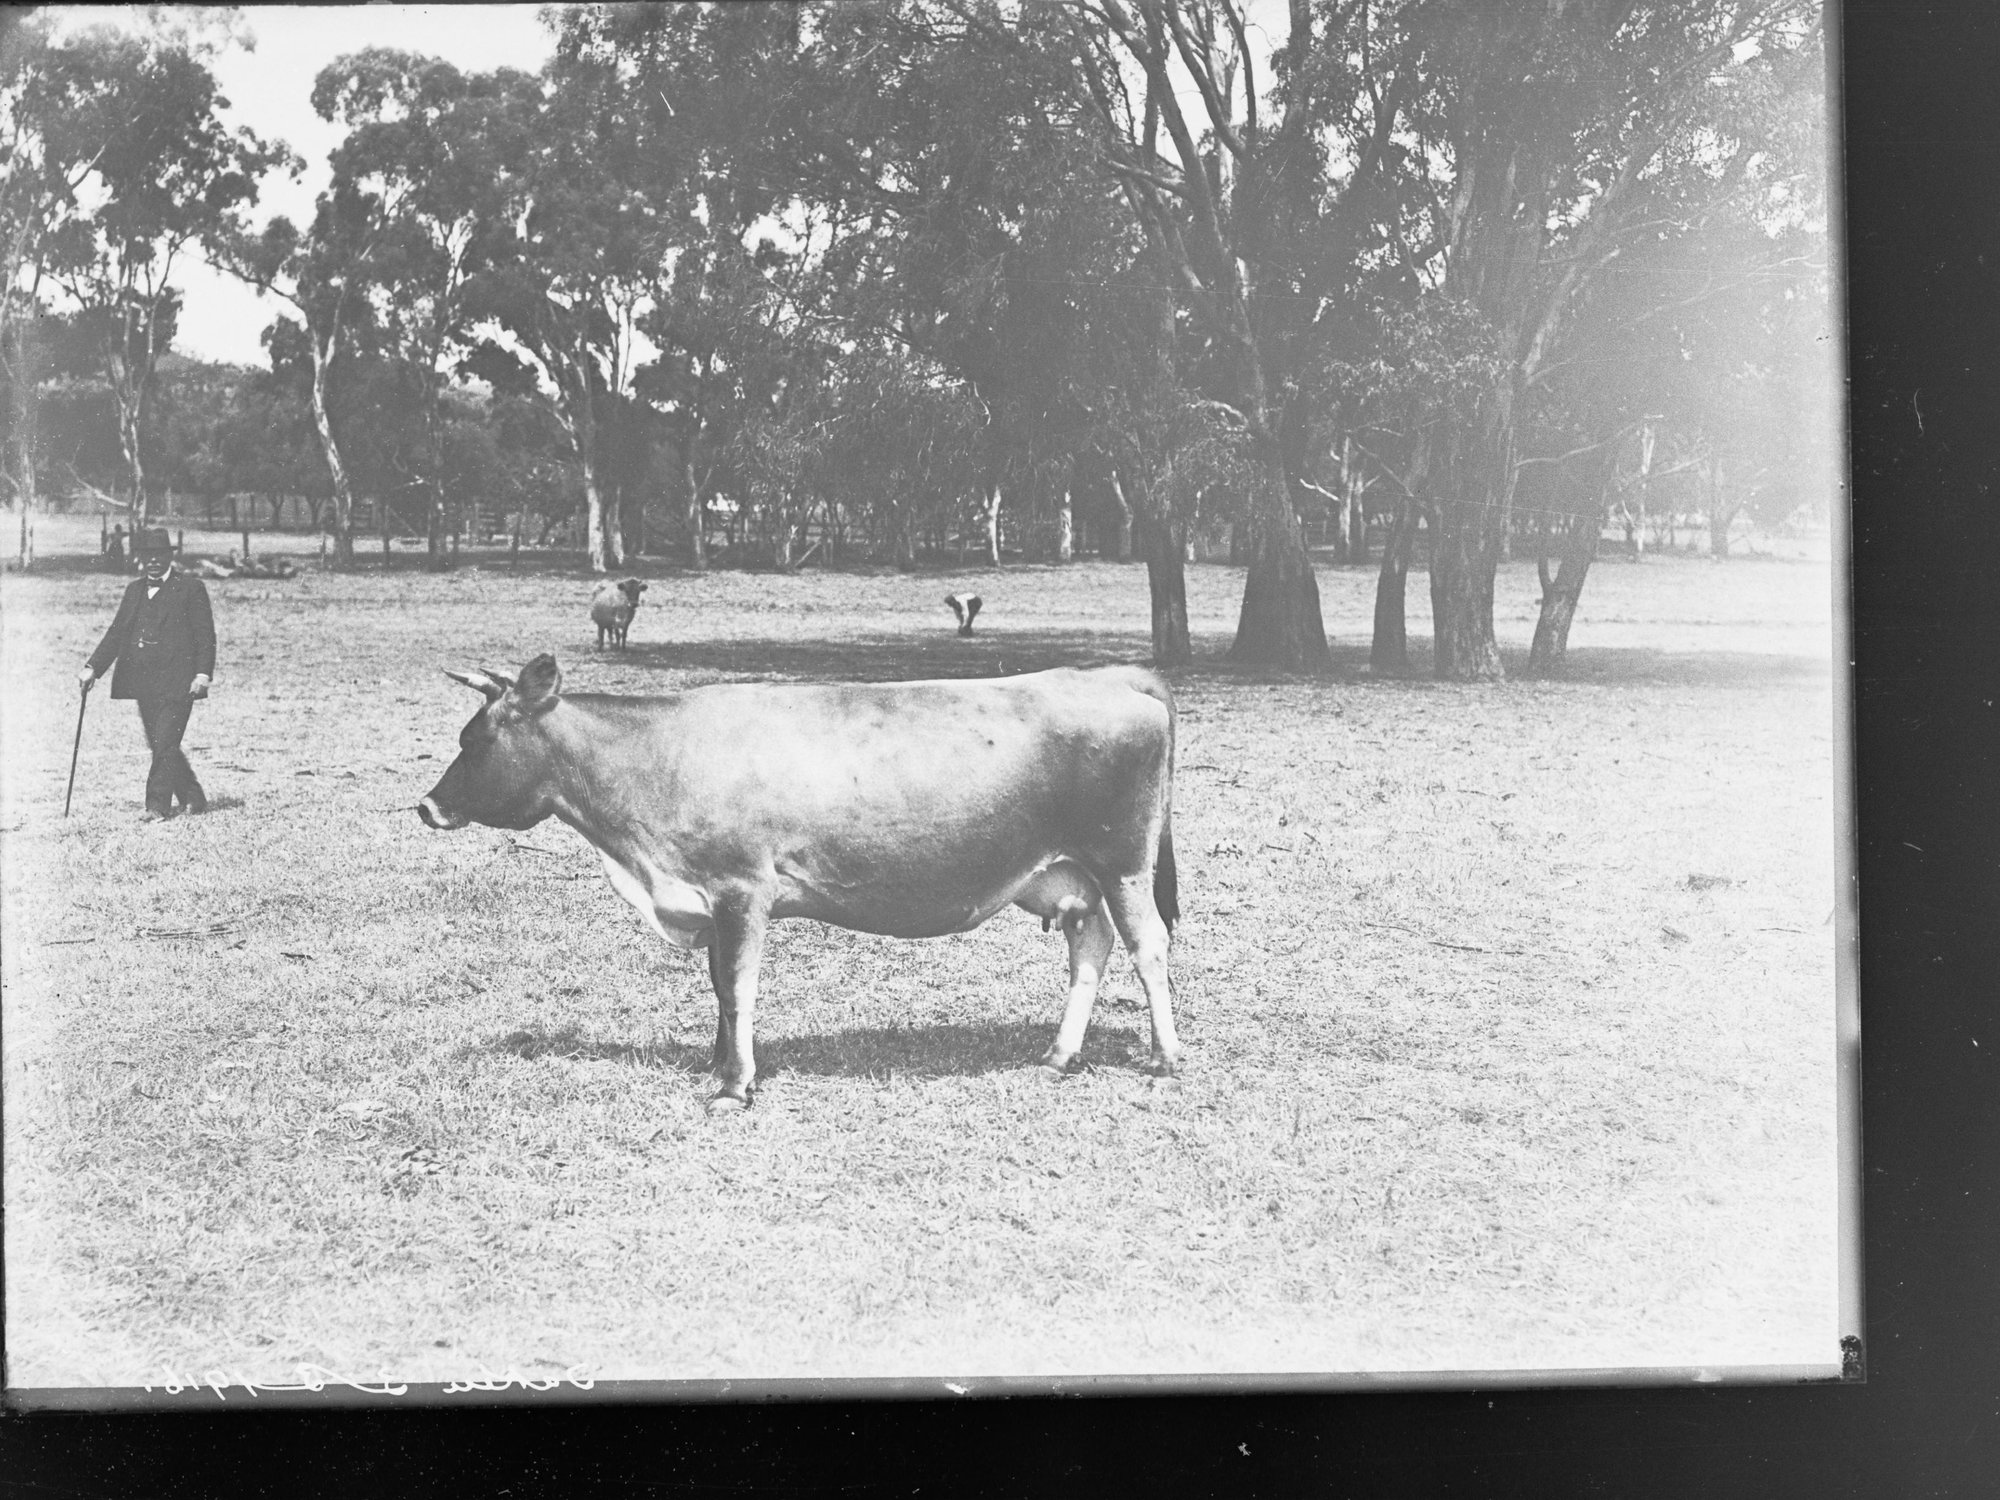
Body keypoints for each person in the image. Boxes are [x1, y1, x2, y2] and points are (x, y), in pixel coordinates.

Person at [77, 528, 215, 821]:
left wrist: (203, 675)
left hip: (179, 681)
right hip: (143, 681)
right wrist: (92, 668)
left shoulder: (190, 588)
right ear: (141, 559)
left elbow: (205, 636)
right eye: (147, 556)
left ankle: (157, 807)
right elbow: (116, 634)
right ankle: (193, 796)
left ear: (169, 558)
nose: (153, 562)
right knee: (161, 744)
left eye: (159, 556)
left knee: (164, 742)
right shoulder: (134, 590)